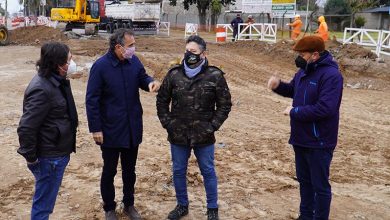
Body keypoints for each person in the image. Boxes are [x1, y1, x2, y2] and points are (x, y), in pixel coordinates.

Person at [86, 29, 160, 220]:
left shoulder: (133, 61)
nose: (133, 49)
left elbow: (142, 77)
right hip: (110, 129)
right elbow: (92, 100)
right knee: (109, 171)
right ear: (118, 47)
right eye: (131, 46)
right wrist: (95, 128)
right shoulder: (101, 67)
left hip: (131, 128)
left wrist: (150, 82)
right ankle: (109, 208)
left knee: (130, 171)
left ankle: (129, 204)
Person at [267, 36, 343, 220]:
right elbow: (293, 90)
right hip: (300, 138)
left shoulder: (332, 76)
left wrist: (295, 111)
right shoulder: (303, 72)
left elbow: (326, 108)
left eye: (302, 54)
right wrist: (278, 86)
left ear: (315, 55)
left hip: (320, 141)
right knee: (304, 182)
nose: (299, 58)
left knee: (320, 187)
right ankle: (306, 216)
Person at [156, 35, 232, 220]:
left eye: (194, 52)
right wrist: (168, 123)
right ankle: (182, 205)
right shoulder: (173, 74)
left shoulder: (215, 75)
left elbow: (225, 104)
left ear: (203, 54)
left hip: (203, 136)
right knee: (178, 170)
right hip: (178, 134)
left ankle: (212, 209)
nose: (189, 55)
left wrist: (212, 126)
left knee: (207, 170)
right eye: (187, 51)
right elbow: (162, 101)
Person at [17, 42, 78, 220]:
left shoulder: (56, 82)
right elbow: (26, 127)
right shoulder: (42, 89)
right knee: (43, 206)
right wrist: (32, 159)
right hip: (49, 158)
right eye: (69, 60)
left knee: (46, 202)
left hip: (56, 153)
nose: (72, 63)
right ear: (58, 64)